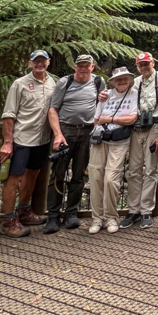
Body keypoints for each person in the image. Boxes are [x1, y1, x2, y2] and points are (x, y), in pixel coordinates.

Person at [0, 49, 55, 238]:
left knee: (33, 174)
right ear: (30, 63)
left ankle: (23, 211)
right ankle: (8, 221)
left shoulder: (52, 83)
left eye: (42, 60)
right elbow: (8, 114)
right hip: (22, 139)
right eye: (35, 61)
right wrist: (8, 142)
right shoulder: (19, 84)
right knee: (14, 177)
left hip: (42, 139)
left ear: (48, 62)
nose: (39, 64)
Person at [46, 54, 104, 233]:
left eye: (87, 65)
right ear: (75, 67)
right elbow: (53, 109)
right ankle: (53, 215)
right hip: (66, 130)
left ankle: (71, 213)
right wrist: (58, 134)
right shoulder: (65, 82)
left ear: (92, 67)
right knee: (58, 173)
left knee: (79, 174)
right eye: (80, 65)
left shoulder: (98, 82)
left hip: (87, 131)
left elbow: (103, 105)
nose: (83, 68)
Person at [120, 52, 158, 231]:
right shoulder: (135, 82)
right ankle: (133, 210)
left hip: (155, 127)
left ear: (153, 63)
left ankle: (146, 210)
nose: (144, 67)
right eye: (140, 64)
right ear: (137, 67)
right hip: (136, 128)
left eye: (146, 64)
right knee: (133, 169)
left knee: (150, 169)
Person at [87, 67, 138, 234]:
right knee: (95, 177)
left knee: (111, 179)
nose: (122, 81)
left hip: (119, 141)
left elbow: (132, 118)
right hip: (100, 139)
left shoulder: (133, 94)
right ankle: (97, 217)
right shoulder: (106, 95)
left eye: (125, 78)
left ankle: (110, 216)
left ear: (130, 80)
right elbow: (96, 119)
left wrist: (110, 119)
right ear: (113, 82)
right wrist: (104, 124)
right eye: (118, 79)